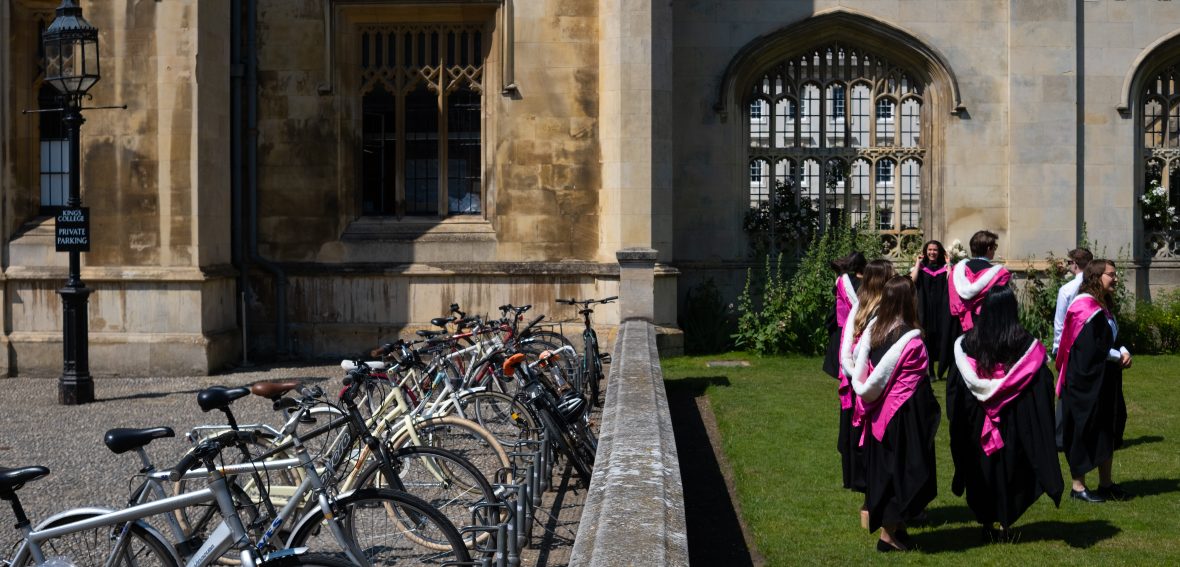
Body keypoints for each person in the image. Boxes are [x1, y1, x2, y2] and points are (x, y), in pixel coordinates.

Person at [946, 285, 1063, 536]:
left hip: (977, 419)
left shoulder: (969, 342)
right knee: (1010, 466)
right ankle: (1004, 521)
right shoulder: (1024, 343)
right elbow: (1041, 382)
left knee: (981, 466)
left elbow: (956, 388)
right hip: (1013, 418)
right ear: (1013, 310)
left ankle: (986, 520)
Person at [846, 276, 940, 552]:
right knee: (904, 470)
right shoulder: (909, 339)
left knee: (888, 470)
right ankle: (888, 536)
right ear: (908, 300)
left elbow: (866, 372)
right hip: (903, 414)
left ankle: (898, 528)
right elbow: (914, 382)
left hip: (877, 413)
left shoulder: (875, 329)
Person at [1056, 260, 1131, 503]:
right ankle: (1078, 487)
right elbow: (1090, 348)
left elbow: (1109, 337)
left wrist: (1123, 349)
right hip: (1084, 380)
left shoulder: (1102, 304)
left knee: (1106, 429)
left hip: (1105, 377)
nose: (1116, 279)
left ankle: (1106, 484)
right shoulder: (1083, 307)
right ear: (1097, 276)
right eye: (1111, 275)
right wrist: (1117, 355)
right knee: (1084, 428)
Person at [837, 259, 895, 524]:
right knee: (874, 441)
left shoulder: (860, 306)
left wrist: (852, 370)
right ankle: (875, 501)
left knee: (860, 439)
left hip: (856, 382)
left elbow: (847, 346)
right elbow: (862, 347)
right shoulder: (881, 308)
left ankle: (868, 499)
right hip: (875, 382)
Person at [948, 230, 1011, 335]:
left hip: (961, 327)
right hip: (989, 327)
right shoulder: (999, 275)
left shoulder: (957, 271)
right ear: (988, 249)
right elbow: (1003, 306)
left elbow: (951, 305)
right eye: (994, 247)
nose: (995, 251)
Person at [909, 240, 952, 379]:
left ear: (939, 252)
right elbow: (912, 280)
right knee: (927, 337)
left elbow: (950, 280)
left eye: (935, 250)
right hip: (925, 308)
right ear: (925, 251)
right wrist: (917, 263)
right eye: (929, 250)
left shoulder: (944, 267)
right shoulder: (921, 268)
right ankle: (930, 370)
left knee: (941, 336)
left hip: (941, 308)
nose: (932, 252)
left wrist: (949, 264)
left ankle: (942, 367)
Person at [823, 252, 867, 379]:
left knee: (843, 362)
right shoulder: (867, 284)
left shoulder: (843, 280)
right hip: (858, 327)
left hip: (842, 325)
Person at [1053, 248, 1093, 355]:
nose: (1068, 265)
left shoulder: (1066, 289)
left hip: (1073, 341)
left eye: (1069, 262)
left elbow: (1060, 322)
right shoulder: (1097, 285)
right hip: (1094, 337)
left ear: (1075, 264)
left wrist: (1057, 347)